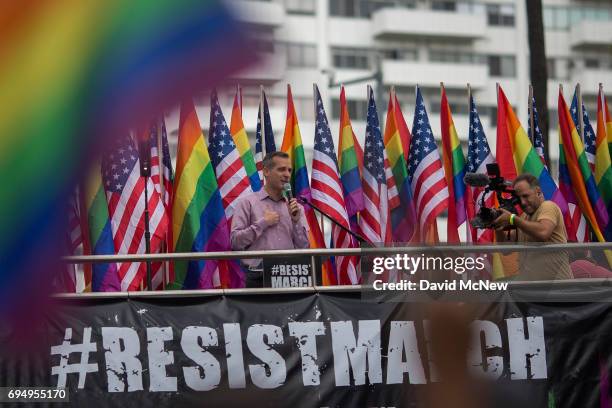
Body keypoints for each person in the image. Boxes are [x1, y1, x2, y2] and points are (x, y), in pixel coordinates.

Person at [231, 151, 309, 287]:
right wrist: (262, 223)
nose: (287, 175)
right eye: (281, 169)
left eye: (289, 170)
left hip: (289, 275)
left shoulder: (296, 208)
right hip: (257, 277)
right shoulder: (247, 203)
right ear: (266, 171)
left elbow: (304, 247)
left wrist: (296, 221)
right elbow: (235, 242)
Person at [492, 173, 573, 280]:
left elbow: (543, 232)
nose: (522, 202)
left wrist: (512, 219)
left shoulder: (548, 206)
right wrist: (498, 226)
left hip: (556, 287)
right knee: (492, 287)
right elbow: (505, 250)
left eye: (525, 196)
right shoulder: (524, 217)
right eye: (518, 198)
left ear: (538, 192)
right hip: (532, 287)